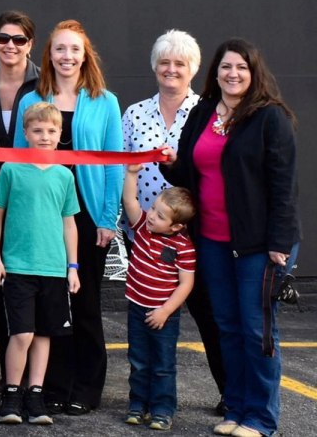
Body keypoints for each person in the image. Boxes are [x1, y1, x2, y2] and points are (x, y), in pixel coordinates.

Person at [159, 38, 300, 437]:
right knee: (228, 327)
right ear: (215, 72)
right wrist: (171, 163)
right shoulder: (203, 111)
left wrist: (280, 242)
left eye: (241, 67)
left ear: (254, 73)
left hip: (260, 244)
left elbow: (284, 186)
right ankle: (236, 410)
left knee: (257, 332)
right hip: (214, 242)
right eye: (225, 67)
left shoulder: (269, 117)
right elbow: (190, 173)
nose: (232, 74)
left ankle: (261, 418)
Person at [14, 19, 122, 415]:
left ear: (85, 54)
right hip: (41, 218)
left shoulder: (104, 101)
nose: (67, 56)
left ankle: (87, 387)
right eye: (60, 49)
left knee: (86, 304)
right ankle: (53, 385)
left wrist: (108, 218)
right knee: (50, 308)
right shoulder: (31, 100)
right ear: (49, 54)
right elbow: (18, 164)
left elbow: (112, 164)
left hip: (88, 216)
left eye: (74, 49)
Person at [122, 29, 226, 413]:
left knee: (209, 315)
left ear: (193, 69)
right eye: (164, 62)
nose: (171, 69)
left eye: (179, 63)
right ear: (154, 67)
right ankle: (143, 400)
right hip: (145, 231)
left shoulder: (208, 112)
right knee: (144, 326)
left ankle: (229, 392)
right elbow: (121, 168)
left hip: (192, 232)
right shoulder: (134, 113)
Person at [0, 102, 80, 426]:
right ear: (25, 133)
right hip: (17, 268)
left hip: (54, 269)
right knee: (22, 334)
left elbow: (69, 222)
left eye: (51, 131)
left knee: (44, 334)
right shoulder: (12, 168)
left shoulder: (64, 174)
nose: (44, 136)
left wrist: (72, 266)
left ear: (60, 134)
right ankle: (12, 393)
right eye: (37, 130)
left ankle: (36, 395)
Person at [0, 11, 39, 389]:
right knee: (1, 287)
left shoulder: (43, 86)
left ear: (30, 44)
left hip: (32, 202)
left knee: (38, 288)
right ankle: (9, 376)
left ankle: (39, 378)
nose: (10, 46)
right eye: (3, 38)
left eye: (19, 39)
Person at [120, 164, 196, 431]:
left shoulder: (183, 247)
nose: (151, 215)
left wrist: (165, 310)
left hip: (164, 313)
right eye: (153, 208)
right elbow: (130, 199)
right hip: (137, 308)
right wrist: (131, 173)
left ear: (176, 226)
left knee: (163, 363)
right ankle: (137, 405)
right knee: (138, 360)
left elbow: (186, 284)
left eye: (160, 215)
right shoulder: (141, 226)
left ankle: (162, 409)